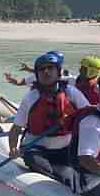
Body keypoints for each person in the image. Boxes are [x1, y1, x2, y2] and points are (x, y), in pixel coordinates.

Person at [8, 52, 89, 180]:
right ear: (36, 74)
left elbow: (89, 116)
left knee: (82, 162)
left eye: (50, 68)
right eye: (41, 69)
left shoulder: (71, 92)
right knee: (34, 160)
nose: (46, 72)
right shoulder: (31, 97)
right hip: (37, 148)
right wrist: (13, 148)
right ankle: (56, 178)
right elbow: (16, 129)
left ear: (58, 72)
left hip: (65, 148)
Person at [4, 51, 71, 86]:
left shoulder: (69, 79)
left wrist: (28, 69)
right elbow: (19, 82)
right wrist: (9, 78)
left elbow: (19, 83)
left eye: (51, 67)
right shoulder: (70, 79)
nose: (46, 71)